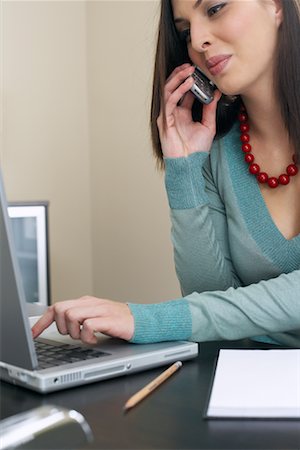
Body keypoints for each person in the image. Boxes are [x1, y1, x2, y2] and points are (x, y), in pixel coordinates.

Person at [32, 0, 300, 347]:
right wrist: (184, 169)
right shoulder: (217, 154)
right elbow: (210, 300)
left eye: (216, 8)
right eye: (185, 31)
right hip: (252, 385)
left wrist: (146, 319)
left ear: (276, 6)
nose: (198, 41)